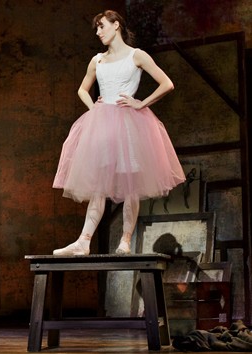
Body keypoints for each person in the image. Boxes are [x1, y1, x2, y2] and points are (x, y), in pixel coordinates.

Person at [52, 10, 185, 256]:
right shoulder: (97, 60)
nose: (98, 32)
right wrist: (95, 110)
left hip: (128, 126)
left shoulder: (137, 56)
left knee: (131, 183)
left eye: (101, 26)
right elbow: (83, 89)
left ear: (116, 26)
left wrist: (140, 103)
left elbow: (167, 83)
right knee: (99, 186)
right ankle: (84, 241)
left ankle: (125, 240)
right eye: (96, 28)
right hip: (103, 127)